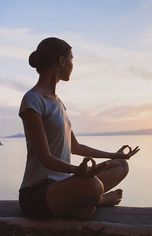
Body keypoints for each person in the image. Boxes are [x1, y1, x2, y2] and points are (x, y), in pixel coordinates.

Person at [18, 37, 140, 220]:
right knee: (93, 186)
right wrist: (78, 171)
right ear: (61, 61)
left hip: (65, 184)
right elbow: (45, 158)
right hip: (38, 193)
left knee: (120, 166)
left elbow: (76, 147)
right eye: (71, 58)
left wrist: (115, 155)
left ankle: (83, 203)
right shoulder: (33, 100)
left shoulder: (59, 103)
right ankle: (96, 200)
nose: (72, 64)